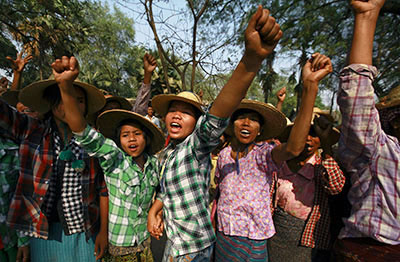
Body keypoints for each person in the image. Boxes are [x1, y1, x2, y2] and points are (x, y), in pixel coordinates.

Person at [146, 5, 285, 261]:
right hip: (175, 245)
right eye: (172, 110)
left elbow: (218, 114)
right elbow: (168, 190)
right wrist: (156, 208)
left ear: (197, 123)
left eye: (186, 112)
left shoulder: (196, 146)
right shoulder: (164, 154)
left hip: (194, 249)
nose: (177, 115)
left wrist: (250, 60)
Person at [214, 53, 333, 261]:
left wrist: (310, 87)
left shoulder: (263, 155)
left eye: (253, 120)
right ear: (232, 124)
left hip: (253, 242)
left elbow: (294, 148)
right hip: (224, 238)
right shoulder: (223, 155)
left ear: (260, 131)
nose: (246, 123)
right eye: (241, 118)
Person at [56, 55, 165, 261]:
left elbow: (162, 192)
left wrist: (156, 212)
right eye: (125, 135)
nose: (132, 139)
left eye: (137, 134)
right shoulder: (114, 158)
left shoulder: (152, 164)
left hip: (145, 244)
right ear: (118, 140)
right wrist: (65, 88)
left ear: (146, 137)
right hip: (120, 248)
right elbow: (82, 131)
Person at [1, 66, 109, 262]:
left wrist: (103, 232)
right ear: (50, 104)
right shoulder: (32, 130)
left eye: (79, 100)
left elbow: (103, 189)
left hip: (84, 231)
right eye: (62, 97)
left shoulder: (93, 141)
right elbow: (4, 116)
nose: (68, 105)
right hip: (41, 231)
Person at [334, 0, 400, 260]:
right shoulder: (381, 150)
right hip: (368, 252)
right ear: (395, 121)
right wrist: (367, 17)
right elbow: (357, 100)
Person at [268, 109, 344, 262]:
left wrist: (327, 149)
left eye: (315, 135)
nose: (309, 139)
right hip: (276, 233)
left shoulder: (321, 166)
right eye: (304, 133)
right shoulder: (280, 164)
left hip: (306, 237)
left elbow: (336, 186)